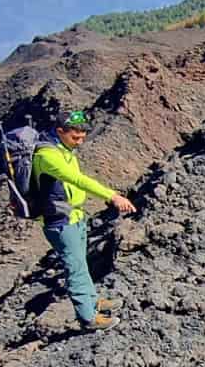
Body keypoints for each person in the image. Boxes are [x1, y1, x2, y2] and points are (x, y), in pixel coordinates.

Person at [29, 108, 136, 328]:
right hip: (60, 222)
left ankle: (93, 301)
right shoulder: (47, 156)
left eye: (82, 136)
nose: (80, 141)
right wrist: (112, 196)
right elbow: (77, 180)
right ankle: (88, 318)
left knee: (81, 263)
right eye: (75, 137)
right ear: (60, 131)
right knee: (75, 267)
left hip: (74, 215)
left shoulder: (64, 149)